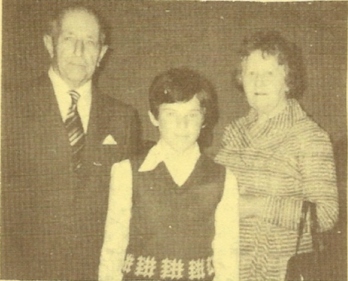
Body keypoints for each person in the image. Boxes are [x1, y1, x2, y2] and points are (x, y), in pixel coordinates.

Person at [1, 5, 140, 280]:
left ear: (101, 54)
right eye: (69, 38)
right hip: (25, 271)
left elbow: (130, 209)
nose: (79, 50)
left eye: (90, 42)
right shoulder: (10, 108)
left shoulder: (123, 118)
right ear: (49, 44)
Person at [215, 30, 339, 280]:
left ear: (288, 81)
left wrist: (256, 206)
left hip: (283, 271)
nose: (258, 83)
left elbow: (326, 214)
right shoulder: (233, 133)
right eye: (251, 74)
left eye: (269, 74)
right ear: (241, 79)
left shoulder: (309, 136)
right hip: (230, 269)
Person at [99, 67, 239, 281]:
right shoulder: (127, 172)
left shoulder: (222, 178)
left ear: (204, 119)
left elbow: (227, 257)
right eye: (171, 114)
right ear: (154, 118)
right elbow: (113, 250)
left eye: (192, 115)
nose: (182, 125)